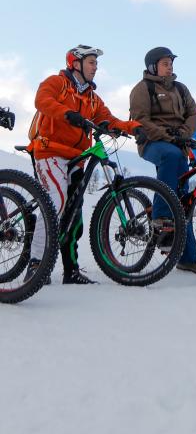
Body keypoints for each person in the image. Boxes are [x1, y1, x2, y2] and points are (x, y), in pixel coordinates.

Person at [27, 46, 142, 284]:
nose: (95, 67)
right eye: (91, 62)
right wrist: (67, 113)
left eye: (96, 64)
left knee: (74, 215)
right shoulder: (57, 82)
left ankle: (71, 270)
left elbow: (107, 119)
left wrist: (132, 127)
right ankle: (36, 264)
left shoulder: (92, 97)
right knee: (55, 203)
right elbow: (42, 100)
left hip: (76, 157)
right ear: (75, 63)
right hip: (49, 150)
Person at [129, 47, 196, 274]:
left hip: (178, 143)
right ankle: (161, 216)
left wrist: (183, 132)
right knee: (170, 157)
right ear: (153, 66)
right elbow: (140, 120)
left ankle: (189, 257)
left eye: (171, 62)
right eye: (165, 62)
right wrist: (167, 135)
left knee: (184, 200)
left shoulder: (181, 89)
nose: (170, 66)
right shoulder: (142, 89)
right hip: (153, 143)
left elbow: (194, 114)